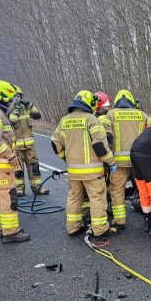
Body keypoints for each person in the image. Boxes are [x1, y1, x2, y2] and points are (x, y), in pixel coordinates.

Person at [51, 91, 118, 237]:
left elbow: (55, 143)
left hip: (73, 171)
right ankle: (100, 229)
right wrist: (111, 162)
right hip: (92, 171)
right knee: (97, 197)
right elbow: (100, 146)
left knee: (75, 197)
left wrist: (66, 158)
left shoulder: (64, 121)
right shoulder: (92, 120)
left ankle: (73, 227)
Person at [0, 80, 29, 243]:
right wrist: (10, 155)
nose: (10, 101)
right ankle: (10, 232)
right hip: (2, 165)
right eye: (8, 98)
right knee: (9, 198)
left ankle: (4, 227)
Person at [105, 90, 151, 229]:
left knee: (117, 190)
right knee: (144, 189)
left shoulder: (110, 115)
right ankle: (148, 217)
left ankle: (119, 221)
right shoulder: (142, 115)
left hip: (118, 163)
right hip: (139, 161)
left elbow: (105, 138)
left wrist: (106, 160)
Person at [8, 86, 48, 196]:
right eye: (15, 96)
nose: (17, 98)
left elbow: (37, 115)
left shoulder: (25, 108)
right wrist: (15, 110)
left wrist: (30, 105)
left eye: (19, 96)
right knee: (18, 169)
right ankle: (19, 189)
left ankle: (37, 187)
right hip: (17, 146)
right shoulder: (9, 109)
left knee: (34, 166)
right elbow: (12, 120)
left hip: (29, 146)